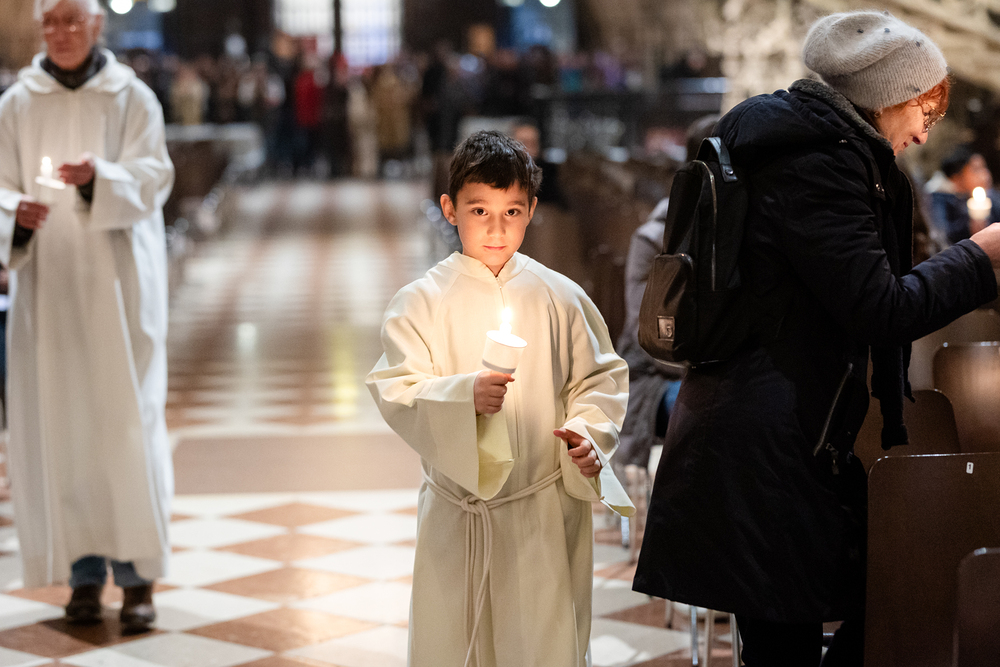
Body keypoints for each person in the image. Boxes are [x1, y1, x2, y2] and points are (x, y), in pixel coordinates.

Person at [632, 11, 1000, 667]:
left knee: (890, 589)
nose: (925, 130)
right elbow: (881, 308)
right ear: (888, 96)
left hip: (783, 431)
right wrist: (980, 257)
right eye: (925, 110)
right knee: (799, 640)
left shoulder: (805, 149)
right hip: (766, 445)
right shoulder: (815, 166)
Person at [366, 130, 633, 667]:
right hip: (459, 516)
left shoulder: (562, 297)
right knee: (457, 644)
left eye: (511, 212)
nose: (495, 228)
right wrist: (462, 395)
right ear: (449, 209)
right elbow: (398, 389)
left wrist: (586, 436)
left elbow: (599, 380)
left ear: (532, 210)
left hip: (541, 511)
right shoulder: (419, 302)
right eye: (479, 211)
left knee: (543, 644)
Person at [0, 0, 174, 634]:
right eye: (51, 21)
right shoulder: (17, 104)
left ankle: (136, 578)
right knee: (62, 427)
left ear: (97, 24)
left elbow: (155, 178)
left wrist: (102, 179)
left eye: (73, 19)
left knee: (125, 425)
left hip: (117, 285)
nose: (61, 32)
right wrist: (14, 215)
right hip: (48, 289)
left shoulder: (131, 97)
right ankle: (82, 576)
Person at [926, 145, 1000, 244]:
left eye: (984, 167)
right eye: (976, 170)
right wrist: (969, 225)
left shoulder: (991, 197)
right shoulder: (938, 199)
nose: (985, 175)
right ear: (956, 177)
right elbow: (942, 235)